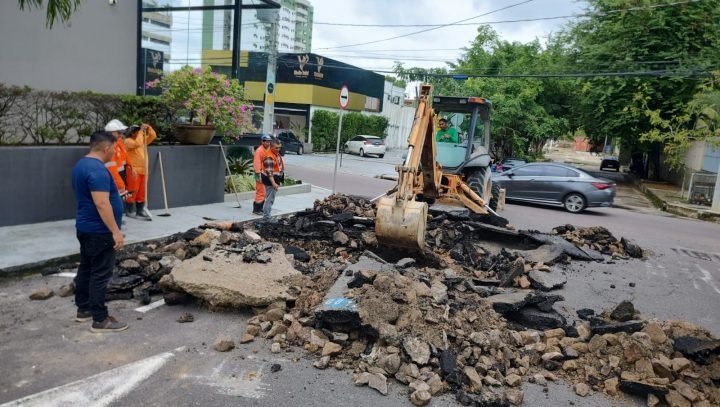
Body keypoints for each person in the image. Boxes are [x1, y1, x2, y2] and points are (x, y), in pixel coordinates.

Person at [71, 130, 128, 333]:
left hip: (85, 228)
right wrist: (115, 231)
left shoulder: (81, 165)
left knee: (86, 268)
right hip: (99, 231)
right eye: (113, 148)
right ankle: (100, 319)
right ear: (106, 148)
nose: (114, 151)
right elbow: (102, 203)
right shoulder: (97, 170)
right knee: (100, 274)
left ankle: (83, 309)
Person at [104, 119, 137, 216]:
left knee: (118, 198)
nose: (121, 135)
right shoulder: (109, 146)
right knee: (112, 198)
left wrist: (131, 167)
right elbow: (111, 168)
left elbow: (125, 156)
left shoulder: (118, 142)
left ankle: (116, 216)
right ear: (111, 132)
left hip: (120, 175)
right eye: (119, 132)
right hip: (113, 177)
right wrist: (121, 185)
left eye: (121, 132)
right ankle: (112, 218)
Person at [124, 123, 157, 220]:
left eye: (139, 131)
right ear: (132, 133)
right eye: (137, 131)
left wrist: (149, 127)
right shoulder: (128, 141)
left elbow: (153, 136)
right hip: (133, 171)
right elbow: (137, 143)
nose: (139, 132)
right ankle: (129, 211)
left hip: (144, 170)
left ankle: (140, 211)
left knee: (142, 192)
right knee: (132, 190)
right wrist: (141, 131)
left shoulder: (141, 140)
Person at [261, 138, 284, 222]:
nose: (278, 149)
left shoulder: (275, 154)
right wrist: (274, 183)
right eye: (276, 148)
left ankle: (267, 217)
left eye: (279, 147)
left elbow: (278, 168)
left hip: (274, 180)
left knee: (270, 198)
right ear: (271, 146)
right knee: (270, 199)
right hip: (270, 181)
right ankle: (267, 218)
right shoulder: (269, 157)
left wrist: (279, 181)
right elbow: (269, 172)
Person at [252, 135, 273, 215]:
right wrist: (259, 174)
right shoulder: (259, 151)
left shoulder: (267, 149)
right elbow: (256, 163)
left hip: (264, 173)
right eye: (267, 141)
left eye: (269, 141)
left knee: (263, 192)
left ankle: (259, 209)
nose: (268, 143)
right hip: (260, 173)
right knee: (261, 191)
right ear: (262, 142)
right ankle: (257, 209)